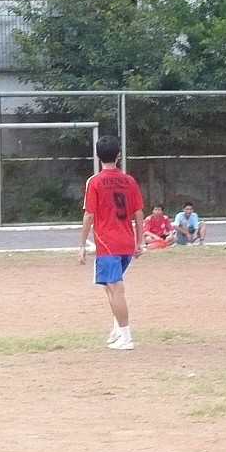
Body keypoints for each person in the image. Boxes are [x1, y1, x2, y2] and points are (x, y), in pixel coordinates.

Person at [78, 135, 144, 351]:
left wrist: (82, 244)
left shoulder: (95, 181)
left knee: (115, 289)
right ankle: (118, 328)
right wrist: (139, 241)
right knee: (109, 285)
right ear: (118, 156)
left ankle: (126, 337)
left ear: (98, 156)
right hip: (126, 241)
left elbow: (89, 214)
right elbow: (138, 212)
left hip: (107, 244)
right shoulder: (129, 180)